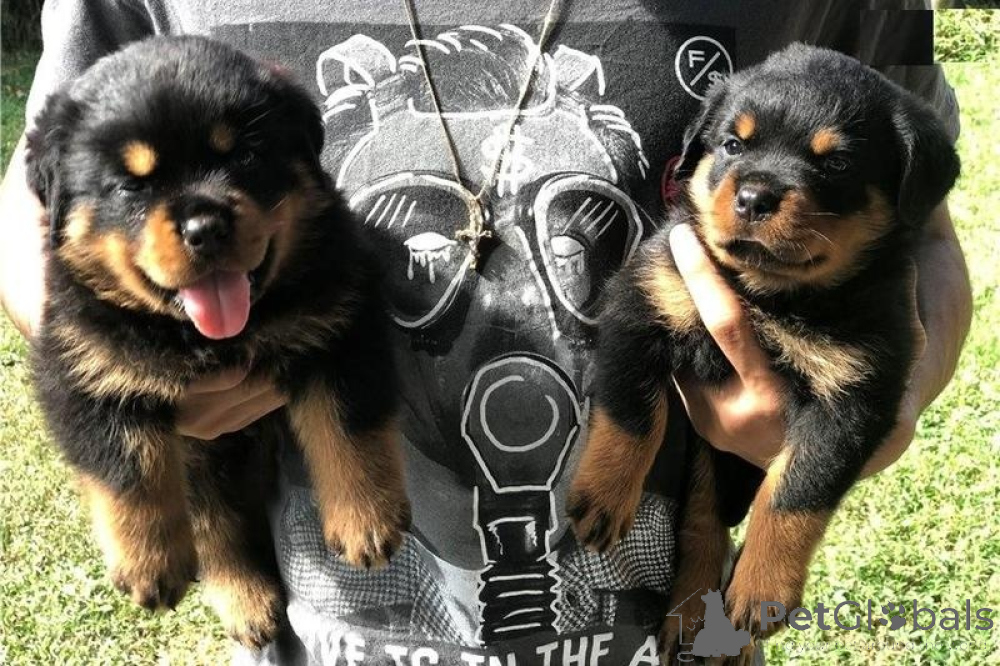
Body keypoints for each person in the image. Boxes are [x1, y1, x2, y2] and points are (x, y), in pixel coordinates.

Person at [0, 1, 970, 664]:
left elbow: (921, 223)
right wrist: (124, 366)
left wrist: (873, 404)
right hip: (324, 626)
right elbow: (36, 196)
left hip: (676, 621)